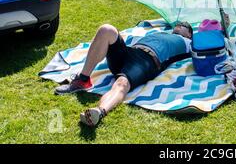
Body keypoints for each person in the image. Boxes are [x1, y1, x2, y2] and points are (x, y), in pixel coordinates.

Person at [55, 21, 194, 127]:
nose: (179, 25)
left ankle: (99, 111)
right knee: (106, 29)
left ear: (189, 34)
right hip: (130, 52)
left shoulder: (189, 43)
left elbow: (207, 46)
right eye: (179, 24)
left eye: (184, 26)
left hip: (147, 61)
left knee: (122, 83)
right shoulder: (162, 33)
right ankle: (83, 79)